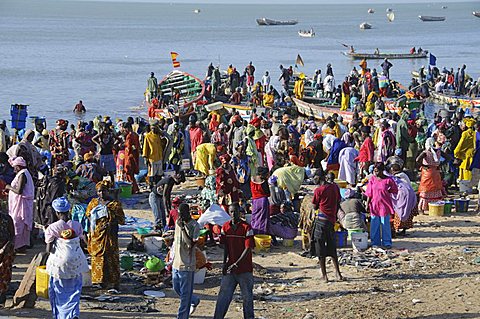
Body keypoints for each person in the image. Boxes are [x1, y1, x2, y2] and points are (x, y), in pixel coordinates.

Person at [45, 197, 88, 319]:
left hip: (59, 263)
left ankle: (61, 315)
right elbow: (83, 243)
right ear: (69, 210)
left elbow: (48, 250)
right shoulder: (77, 225)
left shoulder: (52, 228)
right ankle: (72, 314)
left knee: (58, 291)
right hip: (76, 261)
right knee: (74, 291)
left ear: (57, 212)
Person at [213, 203, 255, 319]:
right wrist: (225, 263)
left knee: (247, 297)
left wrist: (237, 263)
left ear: (240, 213)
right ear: (228, 213)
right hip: (231, 268)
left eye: (235, 212)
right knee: (223, 296)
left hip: (244, 269)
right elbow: (225, 246)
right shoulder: (226, 227)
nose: (233, 214)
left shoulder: (247, 227)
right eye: (231, 212)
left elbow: (248, 248)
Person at [85, 181, 125, 289]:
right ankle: (98, 281)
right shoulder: (93, 203)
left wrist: (110, 222)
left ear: (108, 191)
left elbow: (121, 220)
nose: (101, 193)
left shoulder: (114, 205)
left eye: (103, 191)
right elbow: (88, 215)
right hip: (97, 236)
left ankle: (112, 281)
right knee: (97, 257)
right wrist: (97, 225)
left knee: (110, 257)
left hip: (110, 235)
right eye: (99, 191)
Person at [311, 170, 343, 282]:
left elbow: (315, 206)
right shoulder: (334, 187)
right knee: (332, 247)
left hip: (321, 221)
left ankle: (324, 276)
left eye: (315, 177)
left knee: (320, 249)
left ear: (319, 178)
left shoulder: (318, 190)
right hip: (331, 221)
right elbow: (338, 200)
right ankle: (338, 273)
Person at [172, 203, 200, 318]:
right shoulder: (178, 223)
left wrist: (183, 228)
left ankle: (182, 316)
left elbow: (190, 244)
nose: (180, 216)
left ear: (188, 213)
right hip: (176, 263)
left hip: (187, 265)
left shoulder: (194, 226)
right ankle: (193, 299)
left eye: (182, 214)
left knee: (184, 296)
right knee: (177, 289)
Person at [365, 162, 398, 248]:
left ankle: (387, 242)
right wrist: (367, 204)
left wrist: (387, 192)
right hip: (374, 205)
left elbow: (395, 190)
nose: (376, 173)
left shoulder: (388, 180)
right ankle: (375, 242)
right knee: (374, 225)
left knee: (385, 225)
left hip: (384, 205)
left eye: (377, 171)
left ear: (382, 171)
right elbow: (369, 193)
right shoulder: (372, 179)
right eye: (375, 171)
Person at [6, 156, 34, 252]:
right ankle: (21, 246)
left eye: (15, 167)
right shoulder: (23, 173)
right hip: (18, 204)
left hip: (21, 205)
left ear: (19, 166)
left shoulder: (22, 174)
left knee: (18, 224)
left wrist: (9, 187)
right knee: (20, 225)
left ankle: (19, 246)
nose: (14, 168)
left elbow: (19, 191)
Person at [417, 138, 444, 213]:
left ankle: (422, 208)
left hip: (427, 173)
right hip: (436, 172)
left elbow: (417, 159)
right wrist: (440, 164)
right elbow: (448, 158)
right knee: (435, 189)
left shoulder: (426, 152)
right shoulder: (438, 151)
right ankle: (435, 207)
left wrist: (423, 165)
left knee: (425, 190)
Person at [0, 209, 14, 307]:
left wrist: (5, 248)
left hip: (6, 251)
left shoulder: (7, 218)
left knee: (4, 275)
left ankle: (1, 300)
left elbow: (12, 236)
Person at [250, 167, 270, 235]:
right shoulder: (263, 181)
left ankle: (254, 233)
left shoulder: (252, 179)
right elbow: (268, 193)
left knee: (255, 218)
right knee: (262, 219)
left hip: (254, 201)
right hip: (262, 201)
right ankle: (261, 234)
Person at [122, 122, 140, 194]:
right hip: (135, 155)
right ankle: (135, 188)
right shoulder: (135, 134)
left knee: (129, 172)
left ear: (127, 128)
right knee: (132, 172)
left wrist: (123, 145)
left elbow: (129, 147)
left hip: (129, 156)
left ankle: (134, 189)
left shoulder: (129, 136)